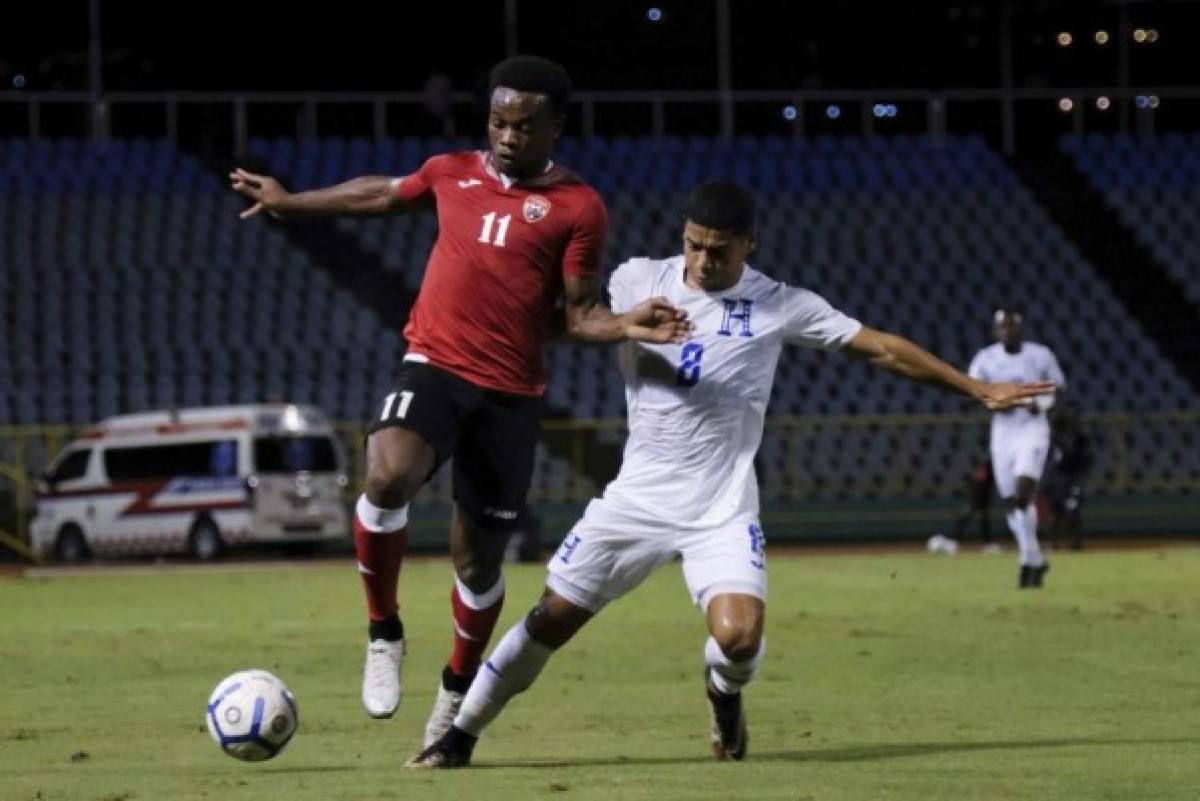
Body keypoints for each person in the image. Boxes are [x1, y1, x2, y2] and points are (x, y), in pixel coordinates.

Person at [406, 181, 1056, 768]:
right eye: (694, 246)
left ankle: (723, 695)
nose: (702, 262)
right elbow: (559, 323)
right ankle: (459, 736)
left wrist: (972, 386)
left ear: (749, 244)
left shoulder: (779, 304)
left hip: (721, 503)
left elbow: (881, 347)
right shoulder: (638, 279)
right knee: (550, 617)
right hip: (638, 495)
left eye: (718, 250)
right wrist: (618, 326)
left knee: (739, 637)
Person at [229, 55, 692, 745]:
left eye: (524, 125)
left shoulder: (578, 207)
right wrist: (290, 200)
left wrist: (625, 324)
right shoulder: (452, 171)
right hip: (434, 367)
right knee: (385, 473)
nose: (507, 136)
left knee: (477, 566)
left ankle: (454, 686)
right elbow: (377, 195)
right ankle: (384, 630)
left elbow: (578, 314)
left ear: (555, 128)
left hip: (510, 397)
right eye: (498, 121)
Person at [968, 310, 1066, 588]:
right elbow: (972, 390)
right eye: (1002, 327)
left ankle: (1027, 561)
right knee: (1012, 502)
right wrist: (992, 400)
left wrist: (1042, 404)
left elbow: (1058, 389)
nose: (1007, 331)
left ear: (1020, 329)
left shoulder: (1040, 355)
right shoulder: (986, 359)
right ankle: (1034, 557)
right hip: (1002, 434)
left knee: (1024, 496)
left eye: (1012, 326)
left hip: (1032, 429)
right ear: (995, 331)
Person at [1040, 400, 1094, 550]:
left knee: (1072, 510)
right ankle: (1052, 543)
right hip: (1058, 479)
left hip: (1073, 478)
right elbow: (1053, 459)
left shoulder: (1080, 439)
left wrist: (1079, 482)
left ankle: (1075, 542)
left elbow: (1086, 461)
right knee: (1055, 511)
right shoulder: (1055, 437)